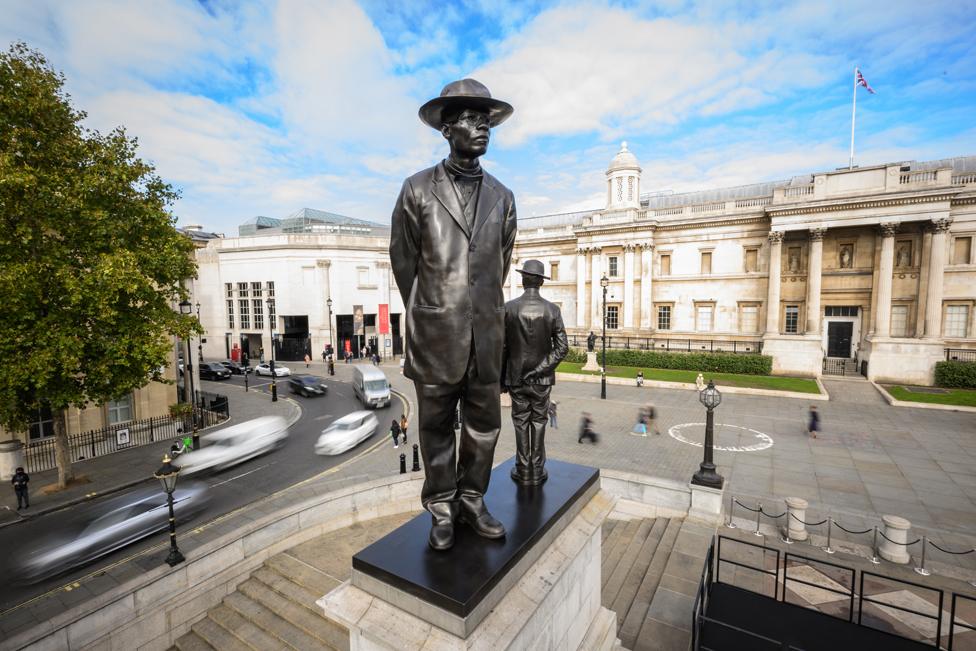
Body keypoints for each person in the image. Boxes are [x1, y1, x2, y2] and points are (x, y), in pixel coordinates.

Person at [390, 78, 516, 550]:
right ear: (447, 128)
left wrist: (476, 310)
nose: (481, 129)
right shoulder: (417, 189)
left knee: (485, 425)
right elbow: (404, 261)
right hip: (435, 333)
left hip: (486, 334)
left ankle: (472, 500)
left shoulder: (503, 196)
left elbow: (499, 264)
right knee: (436, 426)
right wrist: (431, 309)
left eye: (486, 122)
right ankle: (441, 505)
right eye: (470, 120)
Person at [501, 259, 568, 485]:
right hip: (542, 380)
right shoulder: (552, 310)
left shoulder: (508, 308)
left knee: (520, 421)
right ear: (541, 281)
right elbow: (562, 348)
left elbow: (501, 347)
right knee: (538, 421)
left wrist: (503, 379)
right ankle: (537, 468)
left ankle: (522, 467)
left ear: (523, 280)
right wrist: (540, 370)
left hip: (516, 377)